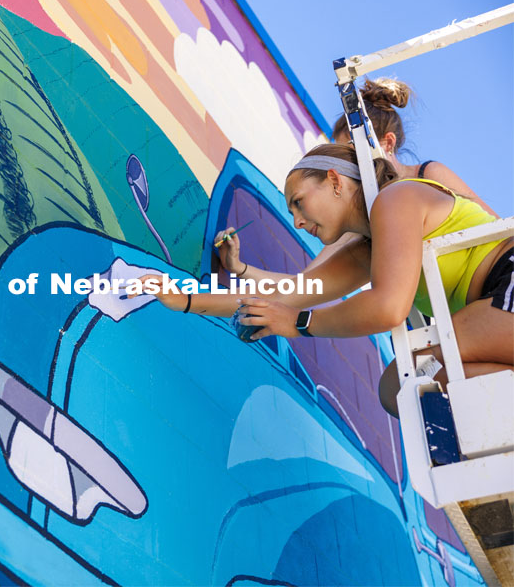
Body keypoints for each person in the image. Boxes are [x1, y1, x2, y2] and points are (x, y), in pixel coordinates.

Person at [136, 144, 513, 416]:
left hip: (507, 280)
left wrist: (300, 325)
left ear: (334, 180)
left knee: (407, 380)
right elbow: (289, 295)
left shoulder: (396, 199)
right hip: (494, 305)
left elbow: (388, 307)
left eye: (298, 202)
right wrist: (184, 300)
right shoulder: (369, 250)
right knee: (399, 388)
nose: (297, 221)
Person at [216, 78, 498, 285]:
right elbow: (304, 284)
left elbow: (496, 230)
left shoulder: (428, 176)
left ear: (388, 143)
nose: (347, 163)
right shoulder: (358, 224)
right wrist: (240, 268)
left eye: (352, 152)